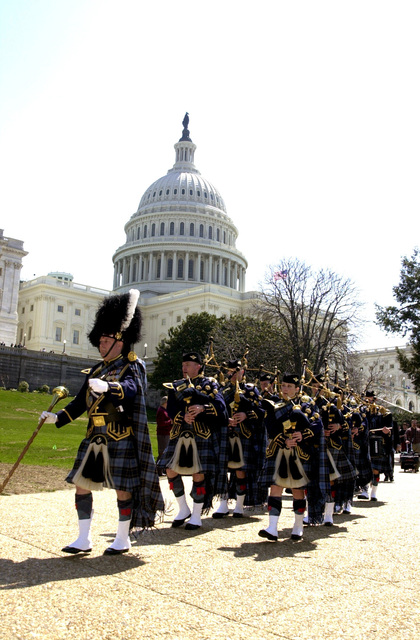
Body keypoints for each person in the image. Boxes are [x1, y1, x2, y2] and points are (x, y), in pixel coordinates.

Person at [40, 290, 164, 555]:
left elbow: (132, 389)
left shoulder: (133, 365)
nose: (100, 344)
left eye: (105, 340)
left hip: (120, 435)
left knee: (123, 489)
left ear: (119, 340)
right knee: (81, 484)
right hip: (95, 435)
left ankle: (122, 538)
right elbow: (80, 402)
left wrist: (109, 386)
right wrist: (57, 418)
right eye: (99, 339)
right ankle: (83, 538)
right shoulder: (96, 370)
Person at [159, 352, 229, 530]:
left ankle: (196, 515)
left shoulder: (210, 384)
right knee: (169, 469)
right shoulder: (176, 385)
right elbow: (172, 410)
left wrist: (202, 408)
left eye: (188, 364)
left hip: (202, 433)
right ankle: (183, 509)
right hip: (180, 432)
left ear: (198, 366)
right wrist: (183, 417)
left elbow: (221, 408)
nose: (184, 368)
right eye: (183, 364)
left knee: (199, 473)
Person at [258, 373, 320, 542]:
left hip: (300, 451)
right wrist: (284, 440)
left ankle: (298, 526)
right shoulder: (274, 405)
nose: (285, 389)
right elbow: (270, 428)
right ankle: (272, 528)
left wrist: (302, 435)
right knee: (275, 487)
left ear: (297, 389)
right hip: (280, 450)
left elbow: (317, 425)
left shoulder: (307, 405)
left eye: (289, 386)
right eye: (283, 386)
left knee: (298, 490)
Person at [212, 359, 266, 518]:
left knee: (241, 470)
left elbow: (261, 411)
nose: (232, 374)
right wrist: (224, 419)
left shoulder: (251, 390)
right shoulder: (222, 390)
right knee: (222, 470)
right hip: (226, 433)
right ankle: (222, 505)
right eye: (230, 371)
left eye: (235, 371)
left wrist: (246, 415)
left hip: (244, 435)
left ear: (243, 371)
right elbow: (217, 409)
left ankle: (239, 506)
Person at [357, 391, 392, 502]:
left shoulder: (382, 411)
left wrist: (387, 431)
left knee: (375, 469)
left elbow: (390, 428)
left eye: (370, 398)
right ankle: (364, 490)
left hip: (378, 442)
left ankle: (374, 492)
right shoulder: (361, 411)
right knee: (364, 467)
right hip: (364, 442)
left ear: (374, 399)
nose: (368, 401)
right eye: (366, 398)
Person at [156, 396, 172, 475]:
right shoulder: (161, 411)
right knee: (162, 452)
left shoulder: (164, 410)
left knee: (165, 452)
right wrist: (170, 421)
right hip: (162, 434)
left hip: (166, 433)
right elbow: (161, 423)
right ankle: (158, 469)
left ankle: (162, 469)